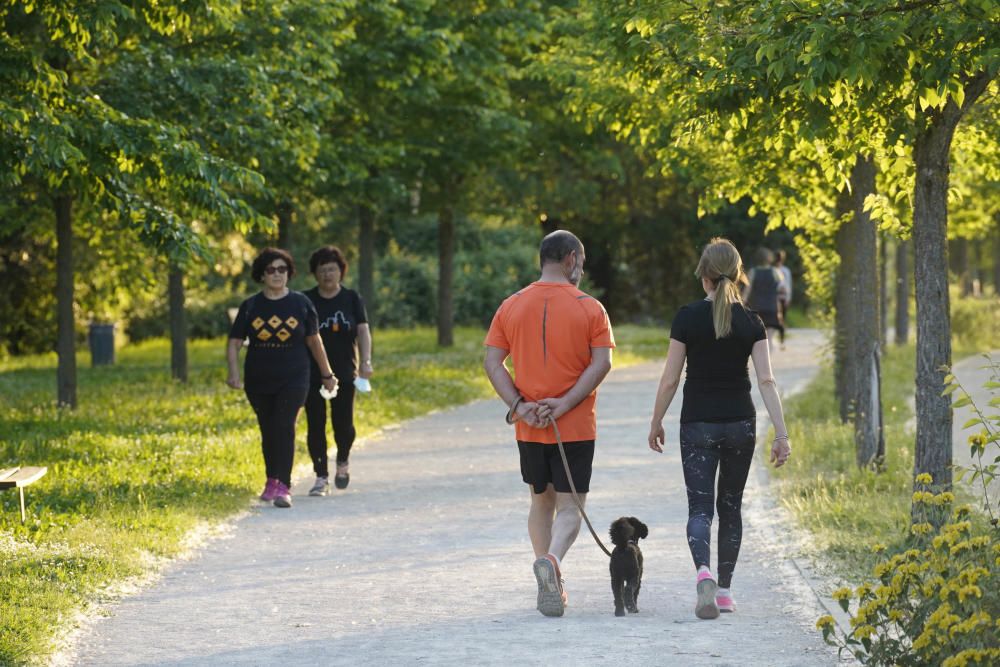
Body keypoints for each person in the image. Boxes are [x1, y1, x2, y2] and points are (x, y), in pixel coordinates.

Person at [647, 238, 791, 620]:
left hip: (697, 424)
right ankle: (724, 592)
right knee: (730, 508)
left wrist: (656, 420)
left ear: (704, 276)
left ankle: (703, 572)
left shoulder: (687, 317)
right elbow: (766, 382)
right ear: (739, 274)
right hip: (740, 424)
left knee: (700, 508)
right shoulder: (753, 322)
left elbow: (670, 380)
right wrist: (782, 434)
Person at [483, 229, 615, 618]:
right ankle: (554, 563)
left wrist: (520, 406)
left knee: (540, 500)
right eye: (582, 263)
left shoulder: (511, 305)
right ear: (572, 259)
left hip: (530, 427)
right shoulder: (591, 307)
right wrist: (566, 403)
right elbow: (602, 363)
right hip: (573, 426)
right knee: (571, 505)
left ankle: (545, 567)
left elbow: (493, 363)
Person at [226, 248, 337, 509]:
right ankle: (271, 479)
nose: (277, 274)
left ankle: (283, 486)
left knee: (285, 425)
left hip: (295, 375)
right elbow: (234, 342)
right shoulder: (251, 306)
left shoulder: (301, 304)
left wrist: (327, 373)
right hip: (259, 378)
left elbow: (314, 340)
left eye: (282, 269)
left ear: (289, 273)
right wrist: (233, 372)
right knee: (268, 429)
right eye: (271, 270)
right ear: (262, 275)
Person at [303, 246, 372, 496]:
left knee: (343, 424)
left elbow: (363, 331)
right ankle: (321, 477)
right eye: (322, 270)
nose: (327, 274)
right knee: (316, 424)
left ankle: (342, 460)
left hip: (344, 370)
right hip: (310, 372)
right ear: (315, 273)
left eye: (332, 269)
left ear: (341, 271)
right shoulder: (306, 299)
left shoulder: (352, 298)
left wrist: (366, 361)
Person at [742, 247, 787, 349]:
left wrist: (742, 302)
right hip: (772, 307)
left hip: (757, 308)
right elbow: (783, 289)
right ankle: (768, 360)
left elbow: (747, 290)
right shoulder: (776, 272)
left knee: (758, 337)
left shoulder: (753, 272)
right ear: (769, 259)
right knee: (769, 337)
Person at [773, 250, 793, 349]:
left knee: (781, 319)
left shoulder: (785, 271)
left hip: (781, 297)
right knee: (777, 319)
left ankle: (781, 340)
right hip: (776, 297)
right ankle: (777, 340)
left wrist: (788, 298)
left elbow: (788, 285)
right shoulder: (773, 270)